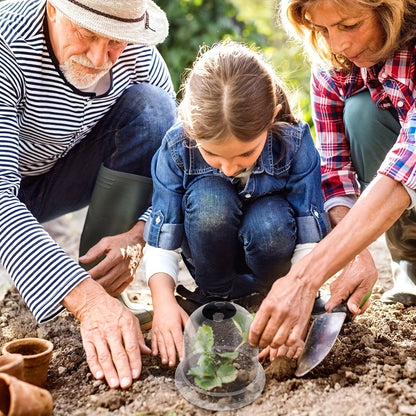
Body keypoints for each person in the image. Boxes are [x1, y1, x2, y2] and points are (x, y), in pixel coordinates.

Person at [0, 0, 177, 389]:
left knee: (154, 111)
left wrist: (138, 237)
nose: (100, 58)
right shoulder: (7, 46)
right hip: (7, 178)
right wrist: (84, 301)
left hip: (58, 170)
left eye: (116, 42)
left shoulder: (139, 55)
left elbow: (178, 167)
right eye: (86, 34)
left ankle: (100, 278)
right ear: (52, 10)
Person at [142, 41, 331, 367]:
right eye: (212, 154)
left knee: (269, 222)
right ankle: (216, 299)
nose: (230, 167)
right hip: (213, 265)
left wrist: (297, 290)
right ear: (190, 126)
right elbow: (163, 238)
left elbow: (308, 230)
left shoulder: (294, 143)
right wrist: (162, 304)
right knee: (209, 199)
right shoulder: (176, 148)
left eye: (245, 153)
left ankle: (270, 296)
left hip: (274, 260)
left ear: (271, 118)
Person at [248, 0, 416, 356]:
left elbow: (407, 162)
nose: (337, 45)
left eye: (350, 25)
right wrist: (353, 253)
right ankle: (412, 261)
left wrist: (304, 278)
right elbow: (335, 172)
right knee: (362, 113)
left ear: (391, 10)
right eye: (324, 30)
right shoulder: (334, 62)